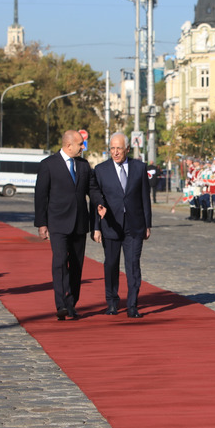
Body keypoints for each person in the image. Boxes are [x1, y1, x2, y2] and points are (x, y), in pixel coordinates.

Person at [34, 130, 103, 320]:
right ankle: (61, 304)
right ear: (68, 145)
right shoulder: (48, 165)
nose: (83, 147)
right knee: (59, 262)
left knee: (76, 265)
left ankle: (72, 303)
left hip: (80, 222)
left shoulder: (83, 165)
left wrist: (99, 203)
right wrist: (41, 224)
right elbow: (41, 196)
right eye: (80, 144)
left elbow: (92, 189)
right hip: (57, 222)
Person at [93, 133, 153, 318]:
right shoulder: (101, 170)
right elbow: (96, 201)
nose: (115, 152)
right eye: (112, 148)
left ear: (127, 149)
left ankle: (133, 305)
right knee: (111, 265)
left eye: (119, 148)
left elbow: (145, 198)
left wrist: (147, 224)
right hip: (110, 225)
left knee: (133, 265)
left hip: (134, 226)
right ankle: (112, 303)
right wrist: (96, 227)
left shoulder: (139, 168)